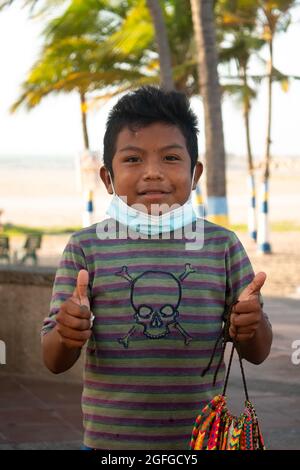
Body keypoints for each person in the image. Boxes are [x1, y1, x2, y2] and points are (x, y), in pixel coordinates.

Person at [41, 86, 272, 451]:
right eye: (132, 159)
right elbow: (53, 359)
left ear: (194, 173)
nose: (152, 173)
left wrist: (251, 324)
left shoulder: (222, 246)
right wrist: (68, 332)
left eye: (170, 158)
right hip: (110, 445)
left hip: (204, 442)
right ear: (107, 178)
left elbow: (257, 351)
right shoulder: (85, 249)